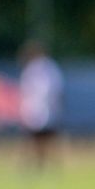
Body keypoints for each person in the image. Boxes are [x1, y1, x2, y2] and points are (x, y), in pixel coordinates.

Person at [17, 41, 64, 171]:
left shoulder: (48, 68)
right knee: (34, 141)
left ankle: (46, 167)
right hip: (34, 110)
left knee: (45, 141)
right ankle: (33, 167)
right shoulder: (33, 69)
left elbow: (55, 90)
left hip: (45, 110)